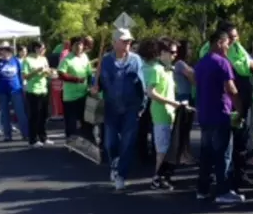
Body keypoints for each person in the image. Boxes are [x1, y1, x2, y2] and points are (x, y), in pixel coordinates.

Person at [194, 29, 245, 204]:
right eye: (226, 44)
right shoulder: (222, 63)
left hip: (205, 114)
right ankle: (223, 191)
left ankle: (202, 189)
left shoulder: (200, 64)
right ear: (218, 43)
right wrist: (240, 109)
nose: (228, 47)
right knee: (224, 154)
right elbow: (231, 88)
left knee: (206, 153)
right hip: (221, 114)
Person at [94, 28, 145, 191]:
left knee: (128, 143)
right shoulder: (106, 61)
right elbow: (99, 83)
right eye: (124, 41)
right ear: (114, 43)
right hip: (111, 108)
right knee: (110, 143)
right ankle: (114, 162)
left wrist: (142, 106)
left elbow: (142, 85)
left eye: (129, 41)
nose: (128, 44)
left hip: (131, 107)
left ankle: (121, 174)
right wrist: (95, 88)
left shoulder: (136, 60)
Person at [145, 37, 188, 191]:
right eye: (172, 52)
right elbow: (151, 92)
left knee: (168, 148)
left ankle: (163, 176)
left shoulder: (169, 70)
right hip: (160, 114)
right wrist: (171, 103)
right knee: (162, 150)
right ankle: (157, 178)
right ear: (162, 52)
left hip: (170, 113)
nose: (175, 55)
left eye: (176, 52)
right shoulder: (157, 69)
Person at [0, 43, 29, 142]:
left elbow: (21, 76)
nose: (4, 52)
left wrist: (23, 87)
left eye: (6, 50)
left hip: (15, 89)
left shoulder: (16, 61)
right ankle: (7, 135)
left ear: (10, 52)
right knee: (4, 113)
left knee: (20, 112)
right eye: (2, 50)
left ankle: (26, 133)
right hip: (2, 91)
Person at [58, 36, 92, 141]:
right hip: (70, 96)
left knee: (85, 120)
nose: (79, 47)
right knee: (71, 121)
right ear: (71, 46)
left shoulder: (85, 57)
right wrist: (76, 79)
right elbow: (61, 74)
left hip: (83, 94)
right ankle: (70, 140)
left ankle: (86, 139)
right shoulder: (67, 59)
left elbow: (89, 73)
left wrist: (91, 85)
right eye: (76, 44)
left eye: (80, 44)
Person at [23, 40, 52, 146]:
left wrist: (49, 72)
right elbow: (25, 76)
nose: (43, 50)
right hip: (33, 90)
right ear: (36, 48)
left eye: (44, 48)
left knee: (44, 115)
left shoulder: (44, 59)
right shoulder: (27, 60)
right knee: (34, 115)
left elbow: (47, 71)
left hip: (43, 89)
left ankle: (43, 136)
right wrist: (36, 71)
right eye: (42, 48)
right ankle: (33, 139)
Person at [172, 40, 196, 165]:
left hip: (186, 95)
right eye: (189, 48)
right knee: (183, 128)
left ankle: (186, 154)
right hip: (183, 97)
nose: (191, 51)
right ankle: (182, 155)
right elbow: (193, 77)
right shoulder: (180, 64)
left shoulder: (182, 64)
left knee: (186, 129)